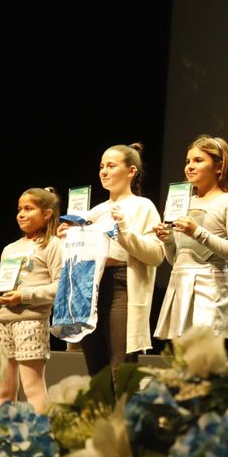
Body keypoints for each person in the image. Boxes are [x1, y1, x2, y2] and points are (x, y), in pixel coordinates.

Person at [75, 143, 165, 377]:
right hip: (92, 287)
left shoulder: (142, 206)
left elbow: (156, 255)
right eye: (101, 166)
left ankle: (124, 414)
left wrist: (124, 231)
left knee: (120, 368)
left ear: (131, 171)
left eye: (111, 166)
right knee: (97, 372)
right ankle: (102, 414)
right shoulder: (95, 211)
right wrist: (69, 238)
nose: (104, 171)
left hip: (122, 284)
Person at [154, 135, 228, 341]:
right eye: (188, 161)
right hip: (179, 285)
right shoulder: (180, 204)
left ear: (219, 167)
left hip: (211, 287)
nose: (189, 166)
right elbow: (175, 260)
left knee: (204, 361)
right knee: (180, 363)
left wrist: (198, 232)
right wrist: (168, 242)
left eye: (198, 160)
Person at [0, 188, 63, 412]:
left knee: (33, 387)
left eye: (29, 208)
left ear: (46, 214)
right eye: (19, 209)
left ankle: (40, 437)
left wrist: (24, 296)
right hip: (0, 321)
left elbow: (60, 286)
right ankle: (5, 435)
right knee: (3, 390)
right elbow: (3, 283)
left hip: (30, 321)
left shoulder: (52, 245)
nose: (22, 214)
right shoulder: (10, 248)